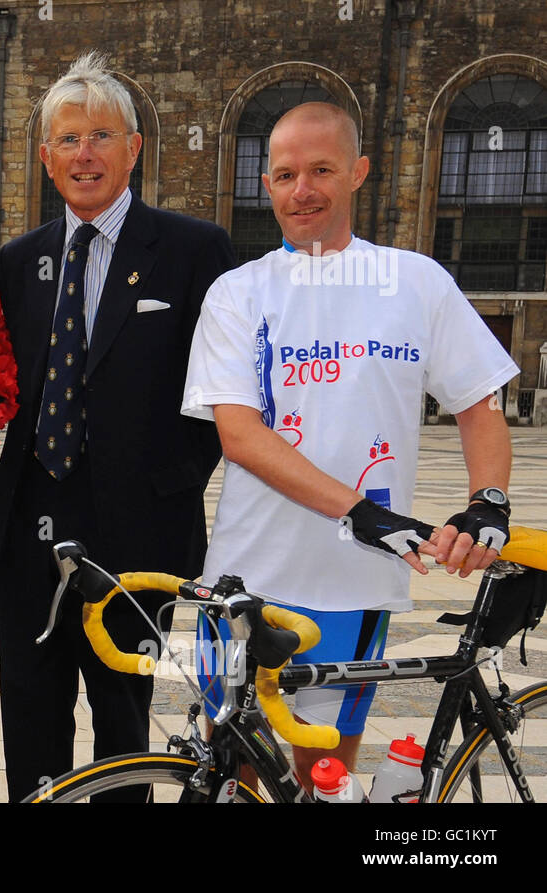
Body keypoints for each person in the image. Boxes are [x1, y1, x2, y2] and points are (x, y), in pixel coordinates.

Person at [182, 101, 517, 788]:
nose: (301, 190)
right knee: (237, 768)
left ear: (359, 171)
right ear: (266, 185)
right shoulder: (236, 293)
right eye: (283, 174)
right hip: (247, 578)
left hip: (354, 585)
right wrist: (360, 510)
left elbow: (480, 404)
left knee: (322, 776)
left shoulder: (416, 281)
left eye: (321, 169)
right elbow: (241, 435)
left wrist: (487, 500)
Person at [0, 52, 237, 802]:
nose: (83, 153)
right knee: (29, 715)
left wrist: (169, 484)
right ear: (45, 158)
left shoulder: (195, 250)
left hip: (140, 534)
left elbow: (223, 391)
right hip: (31, 524)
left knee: (123, 719)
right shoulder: (18, 259)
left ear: (134, 148)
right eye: (67, 139)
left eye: (100, 135)